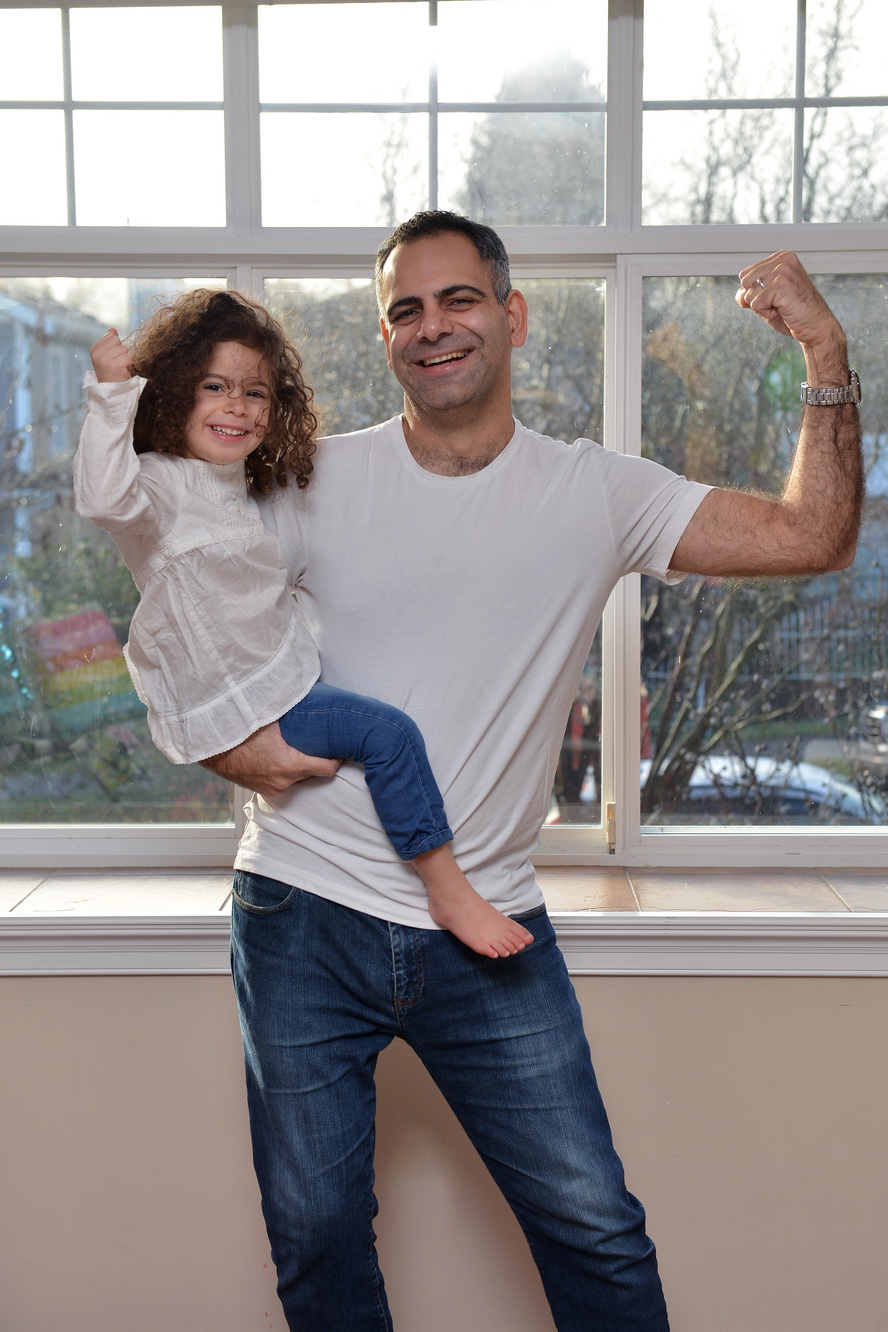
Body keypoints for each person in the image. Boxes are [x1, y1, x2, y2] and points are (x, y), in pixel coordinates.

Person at [203, 214, 862, 1331]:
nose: (432, 326)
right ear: (385, 338)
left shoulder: (596, 492)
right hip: (305, 911)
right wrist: (228, 745)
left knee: (596, 1231)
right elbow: (185, 625)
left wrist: (825, 354)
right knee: (315, 1238)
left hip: (489, 919)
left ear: (510, 316)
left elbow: (814, 536)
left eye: (458, 299)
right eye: (406, 309)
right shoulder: (310, 478)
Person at [73, 288, 533, 959]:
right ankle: (448, 890)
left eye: (255, 393)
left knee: (380, 732)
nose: (237, 406)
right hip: (254, 701)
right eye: (214, 387)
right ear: (172, 394)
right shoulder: (161, 485)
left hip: (280, 682)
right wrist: (113, 393)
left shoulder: (236, 484)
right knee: (389, 735)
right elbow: (102, 498)